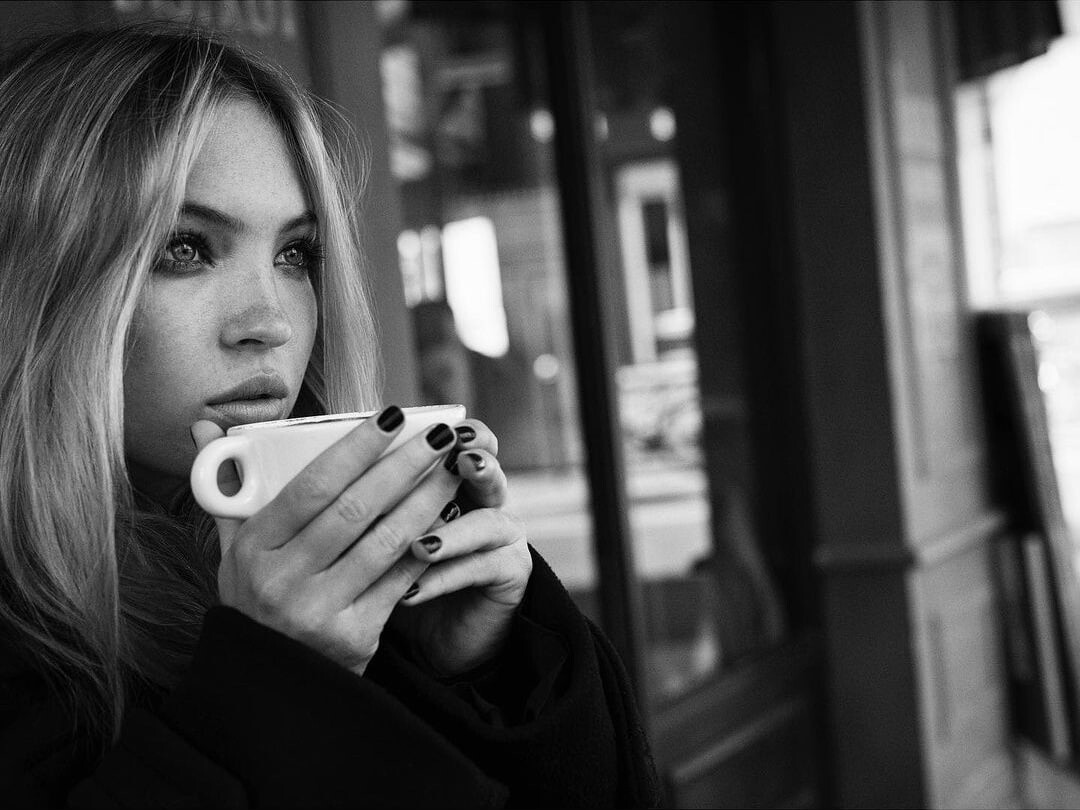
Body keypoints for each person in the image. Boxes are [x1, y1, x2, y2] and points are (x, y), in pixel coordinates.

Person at [0, 25, 661, 809]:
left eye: (295, 255)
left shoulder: (315, 583)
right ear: (35, 282)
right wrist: (271, 686)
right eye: (185, 248)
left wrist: (476, 670)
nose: (271, 323)